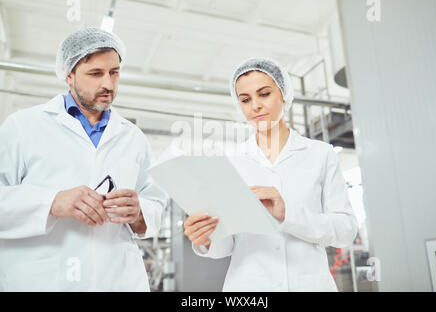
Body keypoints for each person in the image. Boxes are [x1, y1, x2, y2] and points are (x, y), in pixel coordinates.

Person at [0, 27, 165, 291]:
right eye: (95, 74)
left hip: (118, 281)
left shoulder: (133, 137)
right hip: (42, 280)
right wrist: (52, 202)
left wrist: (139, 212)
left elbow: (156, 203)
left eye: (114, 72)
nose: (108, 84)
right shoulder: (22, 127)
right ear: (69, 75)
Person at [183, 57, 358, 291]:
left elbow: (345, 230)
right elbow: (226, 245)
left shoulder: (320, 154)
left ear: (284, 93)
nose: (255, 105)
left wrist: (287, 214)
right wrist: (205, 239)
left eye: (264, 94)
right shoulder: (230, 162)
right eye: (245, 99)